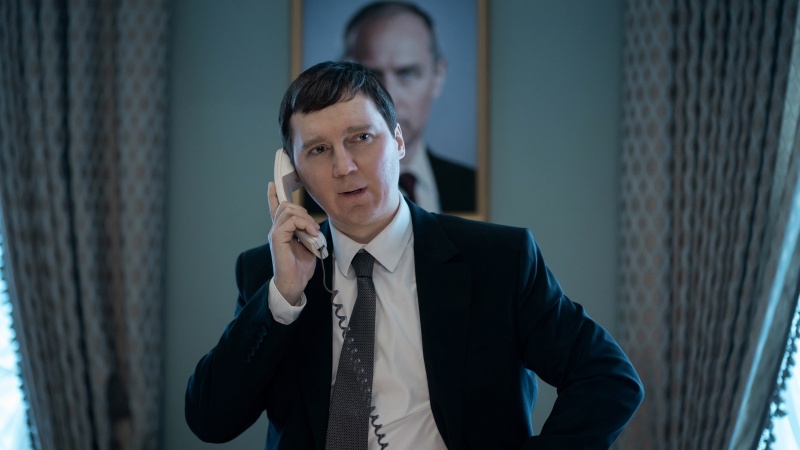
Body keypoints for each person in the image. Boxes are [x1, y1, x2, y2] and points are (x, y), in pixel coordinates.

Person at [185, 61, 643, 449]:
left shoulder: (498, 260)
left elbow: (609, 377)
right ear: (294, 174)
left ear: (399, 142)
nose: (344, 166)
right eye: (319, 150)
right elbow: (210, 421)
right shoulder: (268, 274)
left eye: (361, 137)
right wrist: (283, 298)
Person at [343, 1, 475, 213]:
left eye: (407, 73)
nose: (389, 97)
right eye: (370, 76)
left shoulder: (471, 187)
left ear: (438, 76)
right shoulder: (310, 197)